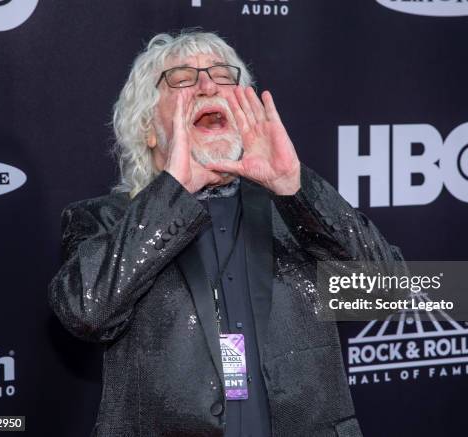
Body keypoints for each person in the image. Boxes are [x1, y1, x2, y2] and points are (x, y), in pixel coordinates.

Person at [49, 30, 401, 437]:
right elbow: (86, 313)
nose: (206, 85)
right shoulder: (102, 221)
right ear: (148, 128)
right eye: (181, 78)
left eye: (222, 75)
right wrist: (174, 188)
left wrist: (293, 184)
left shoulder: (296, 210)